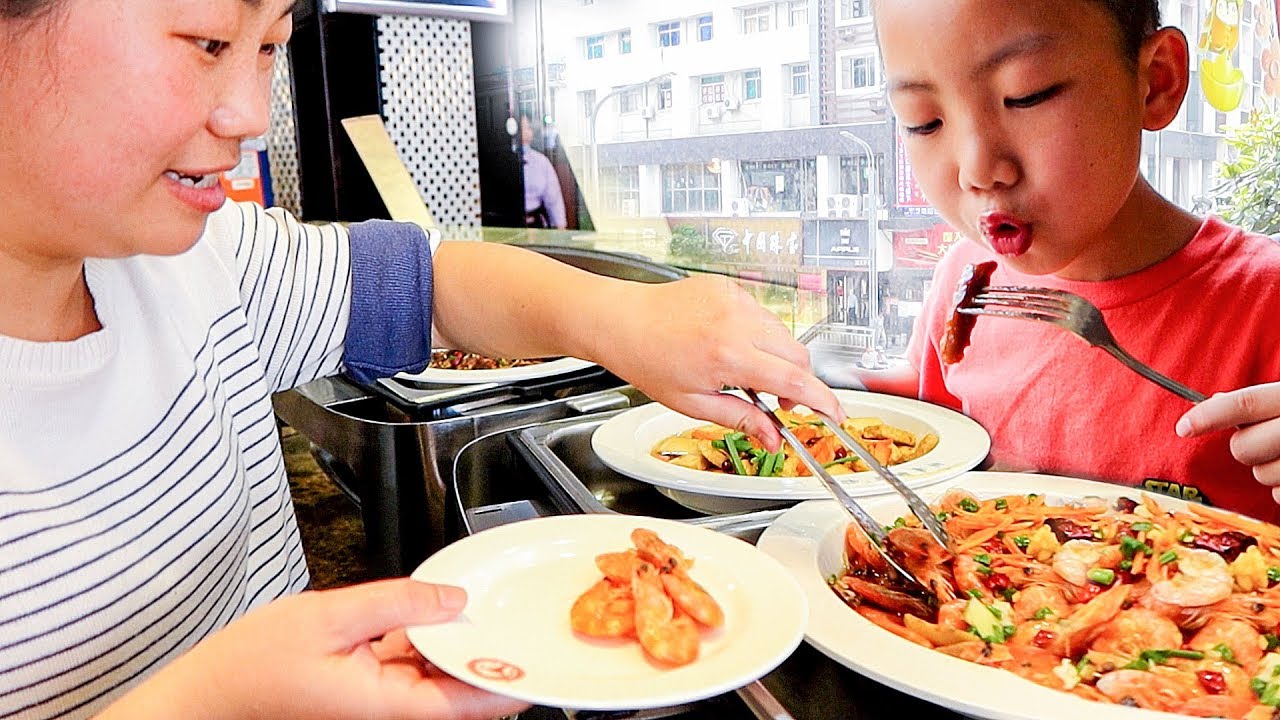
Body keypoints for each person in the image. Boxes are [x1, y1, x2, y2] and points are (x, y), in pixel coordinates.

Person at [0, 1, 843, 718]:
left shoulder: (194, 256)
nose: (251, 113)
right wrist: (213, 699)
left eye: (270, 48)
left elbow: (430, 287)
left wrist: (620, 316)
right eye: (211, 42)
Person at [835, 0, 1280, 519]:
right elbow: (931, 413)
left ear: (1156, 82)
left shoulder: (1264, 303)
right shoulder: (966, 282)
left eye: (1026, 96)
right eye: (924, 122)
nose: (978, 169)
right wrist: (839, 391)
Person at [520, 116, 567, 229]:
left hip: (535, 224)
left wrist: (560, 226)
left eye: (528, 128)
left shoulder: (541, 161)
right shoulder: (499, 160)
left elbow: (553, 198)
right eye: (523, 127)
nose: (526, 131)